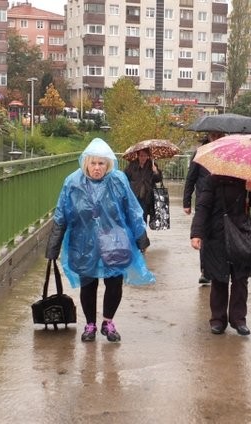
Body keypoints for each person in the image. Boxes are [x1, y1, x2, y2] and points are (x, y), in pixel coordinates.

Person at [46, 138, 154, 343]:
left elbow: (132, 210)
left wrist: (141, 238)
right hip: (83, 242)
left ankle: (108, 322)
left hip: (115, 240)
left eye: (101, 163)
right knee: (89, 284)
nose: (97, 168)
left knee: (114, 282)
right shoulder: (73, 182)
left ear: (108, 164)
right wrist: (53, 247)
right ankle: (90, 325)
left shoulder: (118, 180)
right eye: (93, 163)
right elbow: (61, 214)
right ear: (86, 162)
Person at [190, 175, 251, 336]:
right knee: (219, 278)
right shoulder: (213, 179)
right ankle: (218, 319)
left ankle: (239, 319)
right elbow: (203, 207)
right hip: (217, 235)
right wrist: (196, 233)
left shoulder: (249, 177)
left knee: (240, 279)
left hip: (241, 235)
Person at [183, 131, 225, 284]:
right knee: (204, 235)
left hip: (222, 202)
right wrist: (186, 201)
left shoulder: (227, 154)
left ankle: (221, 268)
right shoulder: (200, 154)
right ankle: (205, 271)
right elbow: (191, 178)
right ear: (208, 136)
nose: (216, 139)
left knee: (219, 237)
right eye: (213, 136)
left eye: (219, 136)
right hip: (204, 201)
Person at [124, 148, 163, 225]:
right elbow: (125, 178)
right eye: (141, 156)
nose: (143, 158)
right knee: (133, 217)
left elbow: (158, 179)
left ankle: (142, 235)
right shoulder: (132, 165)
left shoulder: (152, 165)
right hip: (134, 196)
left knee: (143, 217)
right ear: (138, 156)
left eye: (145, 156)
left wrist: (156, 171)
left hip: (147, 197)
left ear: (148, 156)